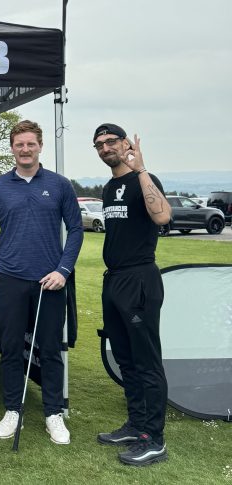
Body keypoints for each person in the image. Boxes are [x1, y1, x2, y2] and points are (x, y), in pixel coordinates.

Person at [0, 120, 83, 445]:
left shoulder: (60, 185)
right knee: (11, 348)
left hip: (50, 281)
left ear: (40, 146)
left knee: (49, 350)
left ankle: (53, 413)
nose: (25, 149)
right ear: (12, 148)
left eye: (31, 144)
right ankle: (12, 410)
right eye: (19, 144)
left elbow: (75, 230)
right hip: (9, 278)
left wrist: (63, 270)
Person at [93, 123, 171, 466]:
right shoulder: (110, 187)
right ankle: (136, 425)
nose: (105, 147)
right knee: (125, 359)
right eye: (99, 144)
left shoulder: (143, 179)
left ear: (126, 143)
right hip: (114, 281)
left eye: (111, 141)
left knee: (146, 361)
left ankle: (154, 439)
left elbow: (163, 215)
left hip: (140, 279)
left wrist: (141, 169)